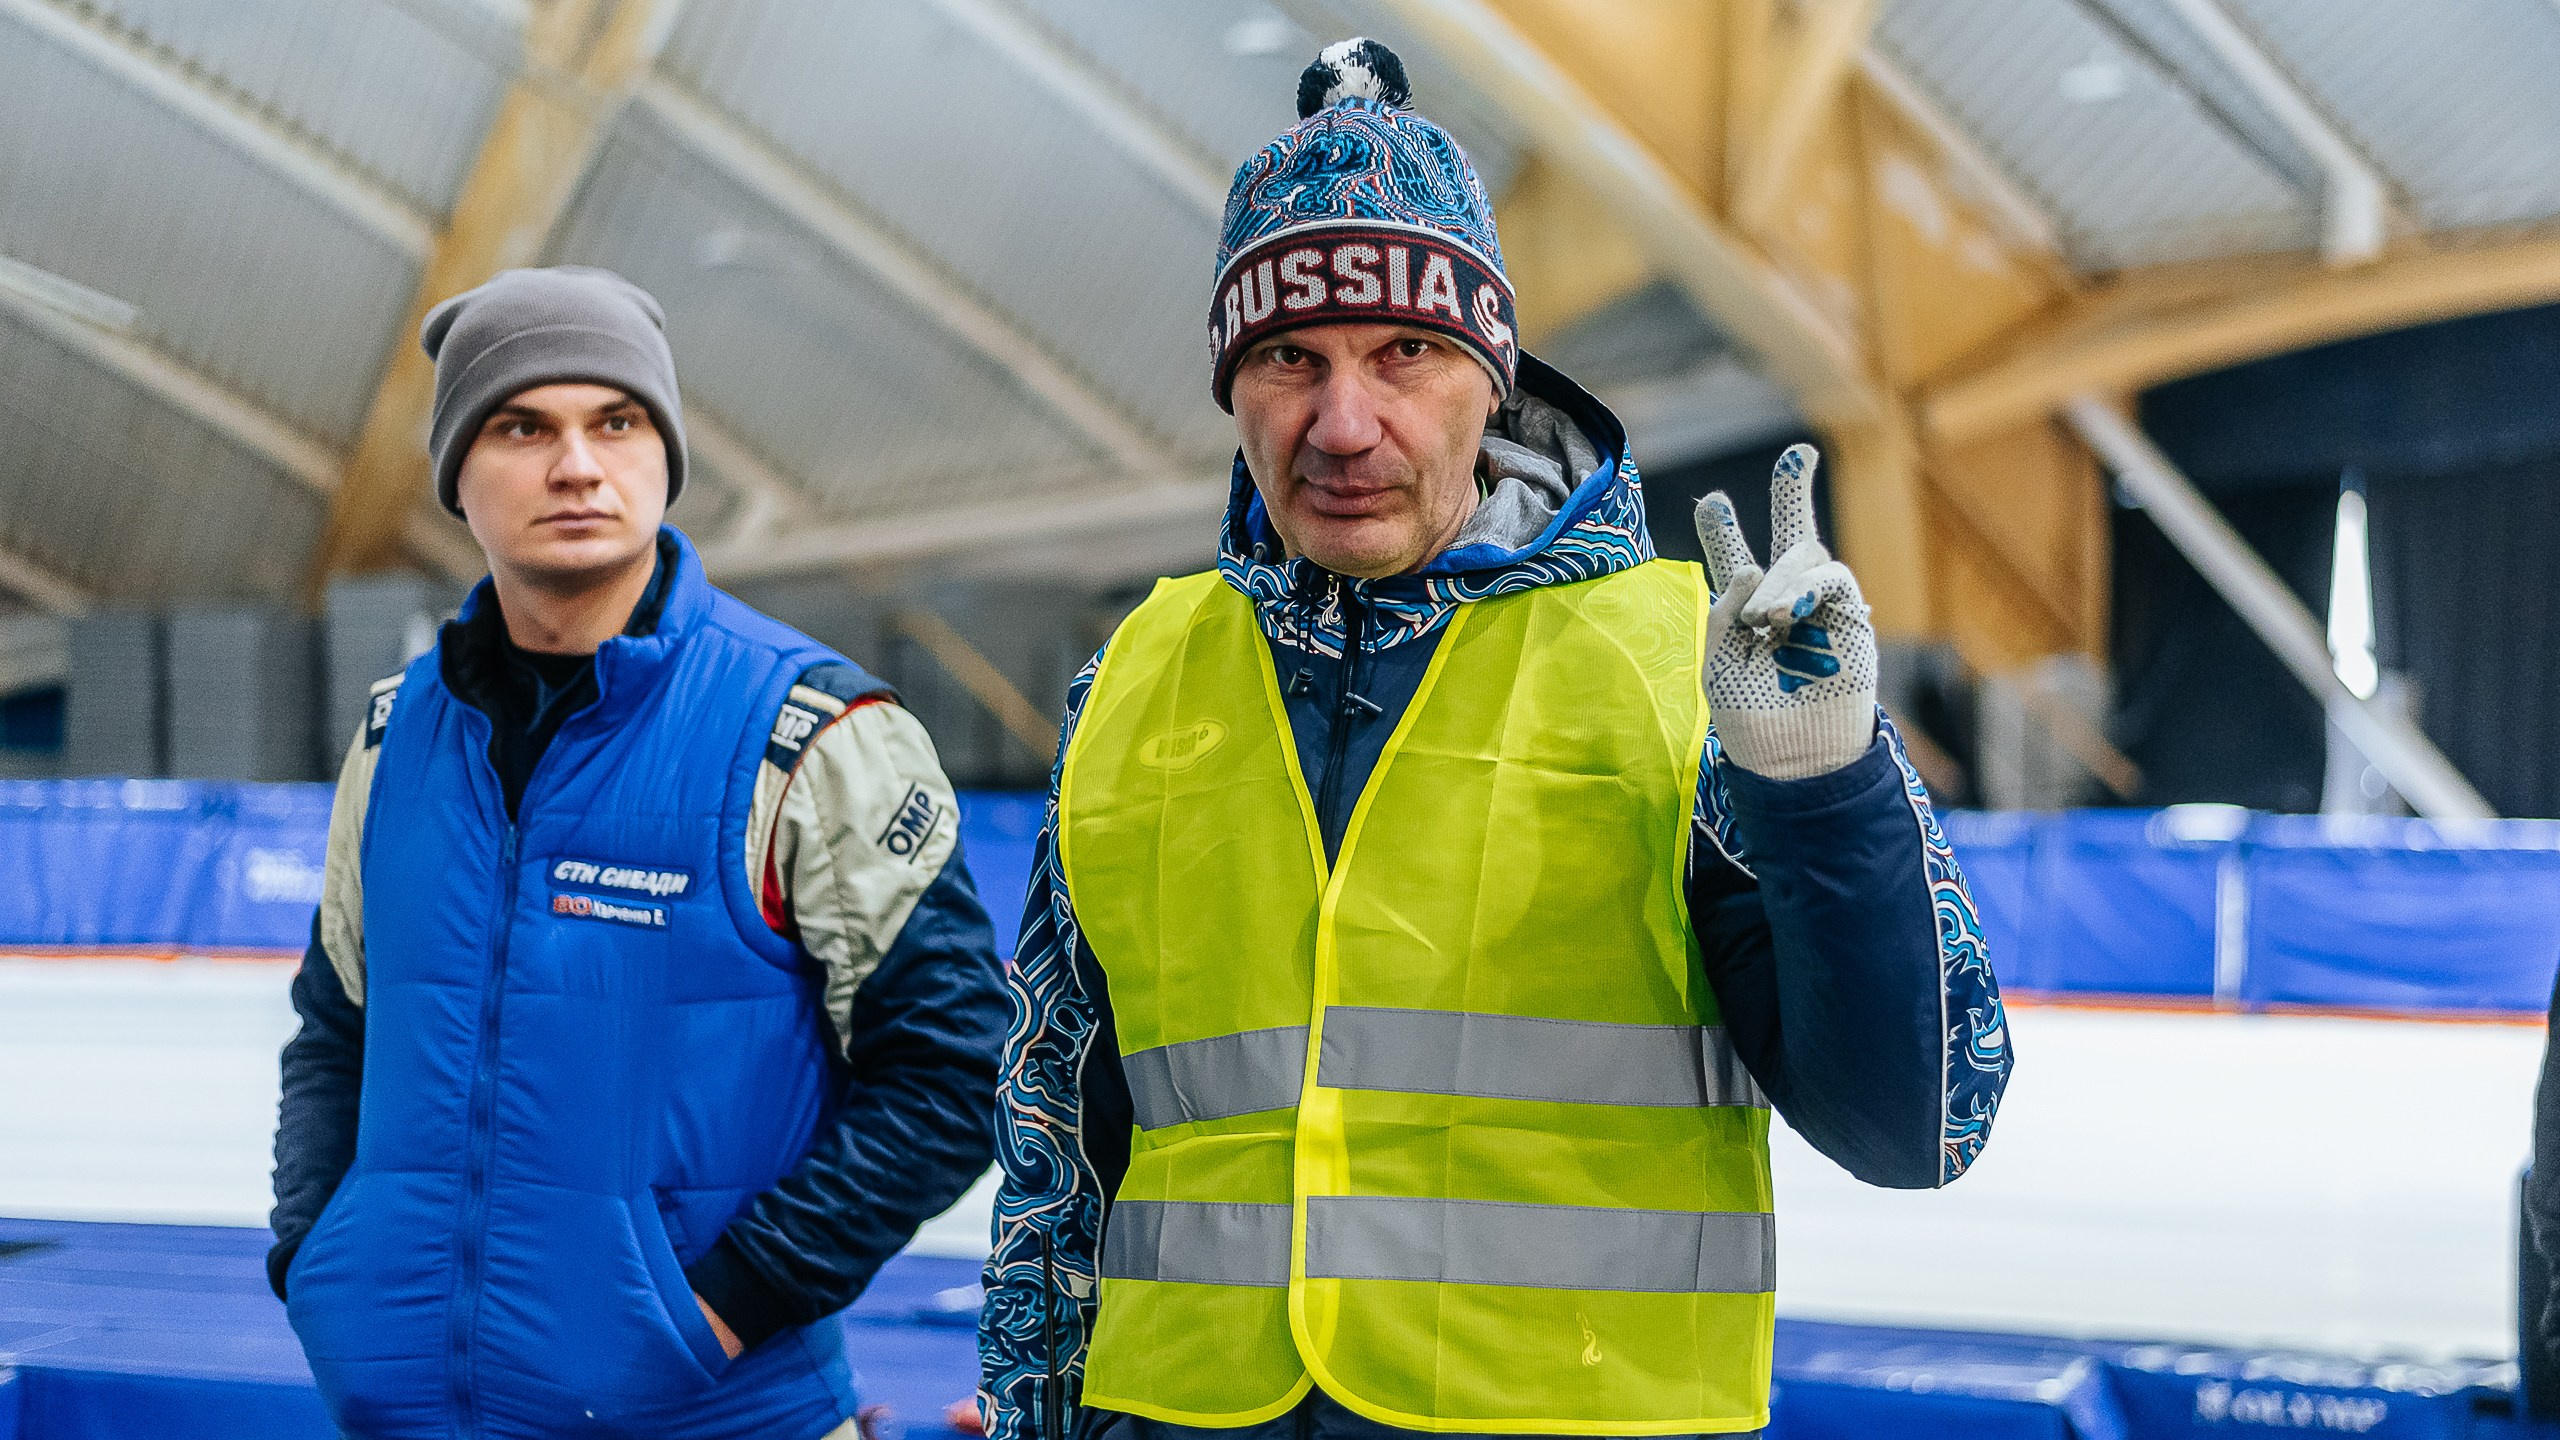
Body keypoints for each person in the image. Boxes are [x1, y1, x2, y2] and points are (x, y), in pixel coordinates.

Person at [976, 39, 2012, 1440]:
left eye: (1404, 353)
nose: (1344, 423)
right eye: (1288, 357)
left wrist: (1823, 788)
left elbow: (1923, 1125)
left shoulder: (1687, 671)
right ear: (1231, 386)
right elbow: (1056, 1142)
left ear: (1494, 372)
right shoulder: (1137, 680)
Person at [268, 266, 1007, 1440]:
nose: (577, 464)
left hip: (715, 1413)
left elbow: (957, 1069)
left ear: (664, 455)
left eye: (616, 423)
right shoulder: (394, 734)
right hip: (409, 1413)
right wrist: (318, 1263)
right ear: (457, 473)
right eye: (523, 427)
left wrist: (716, 1310)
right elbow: (337, 1029)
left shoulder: (808, 733)